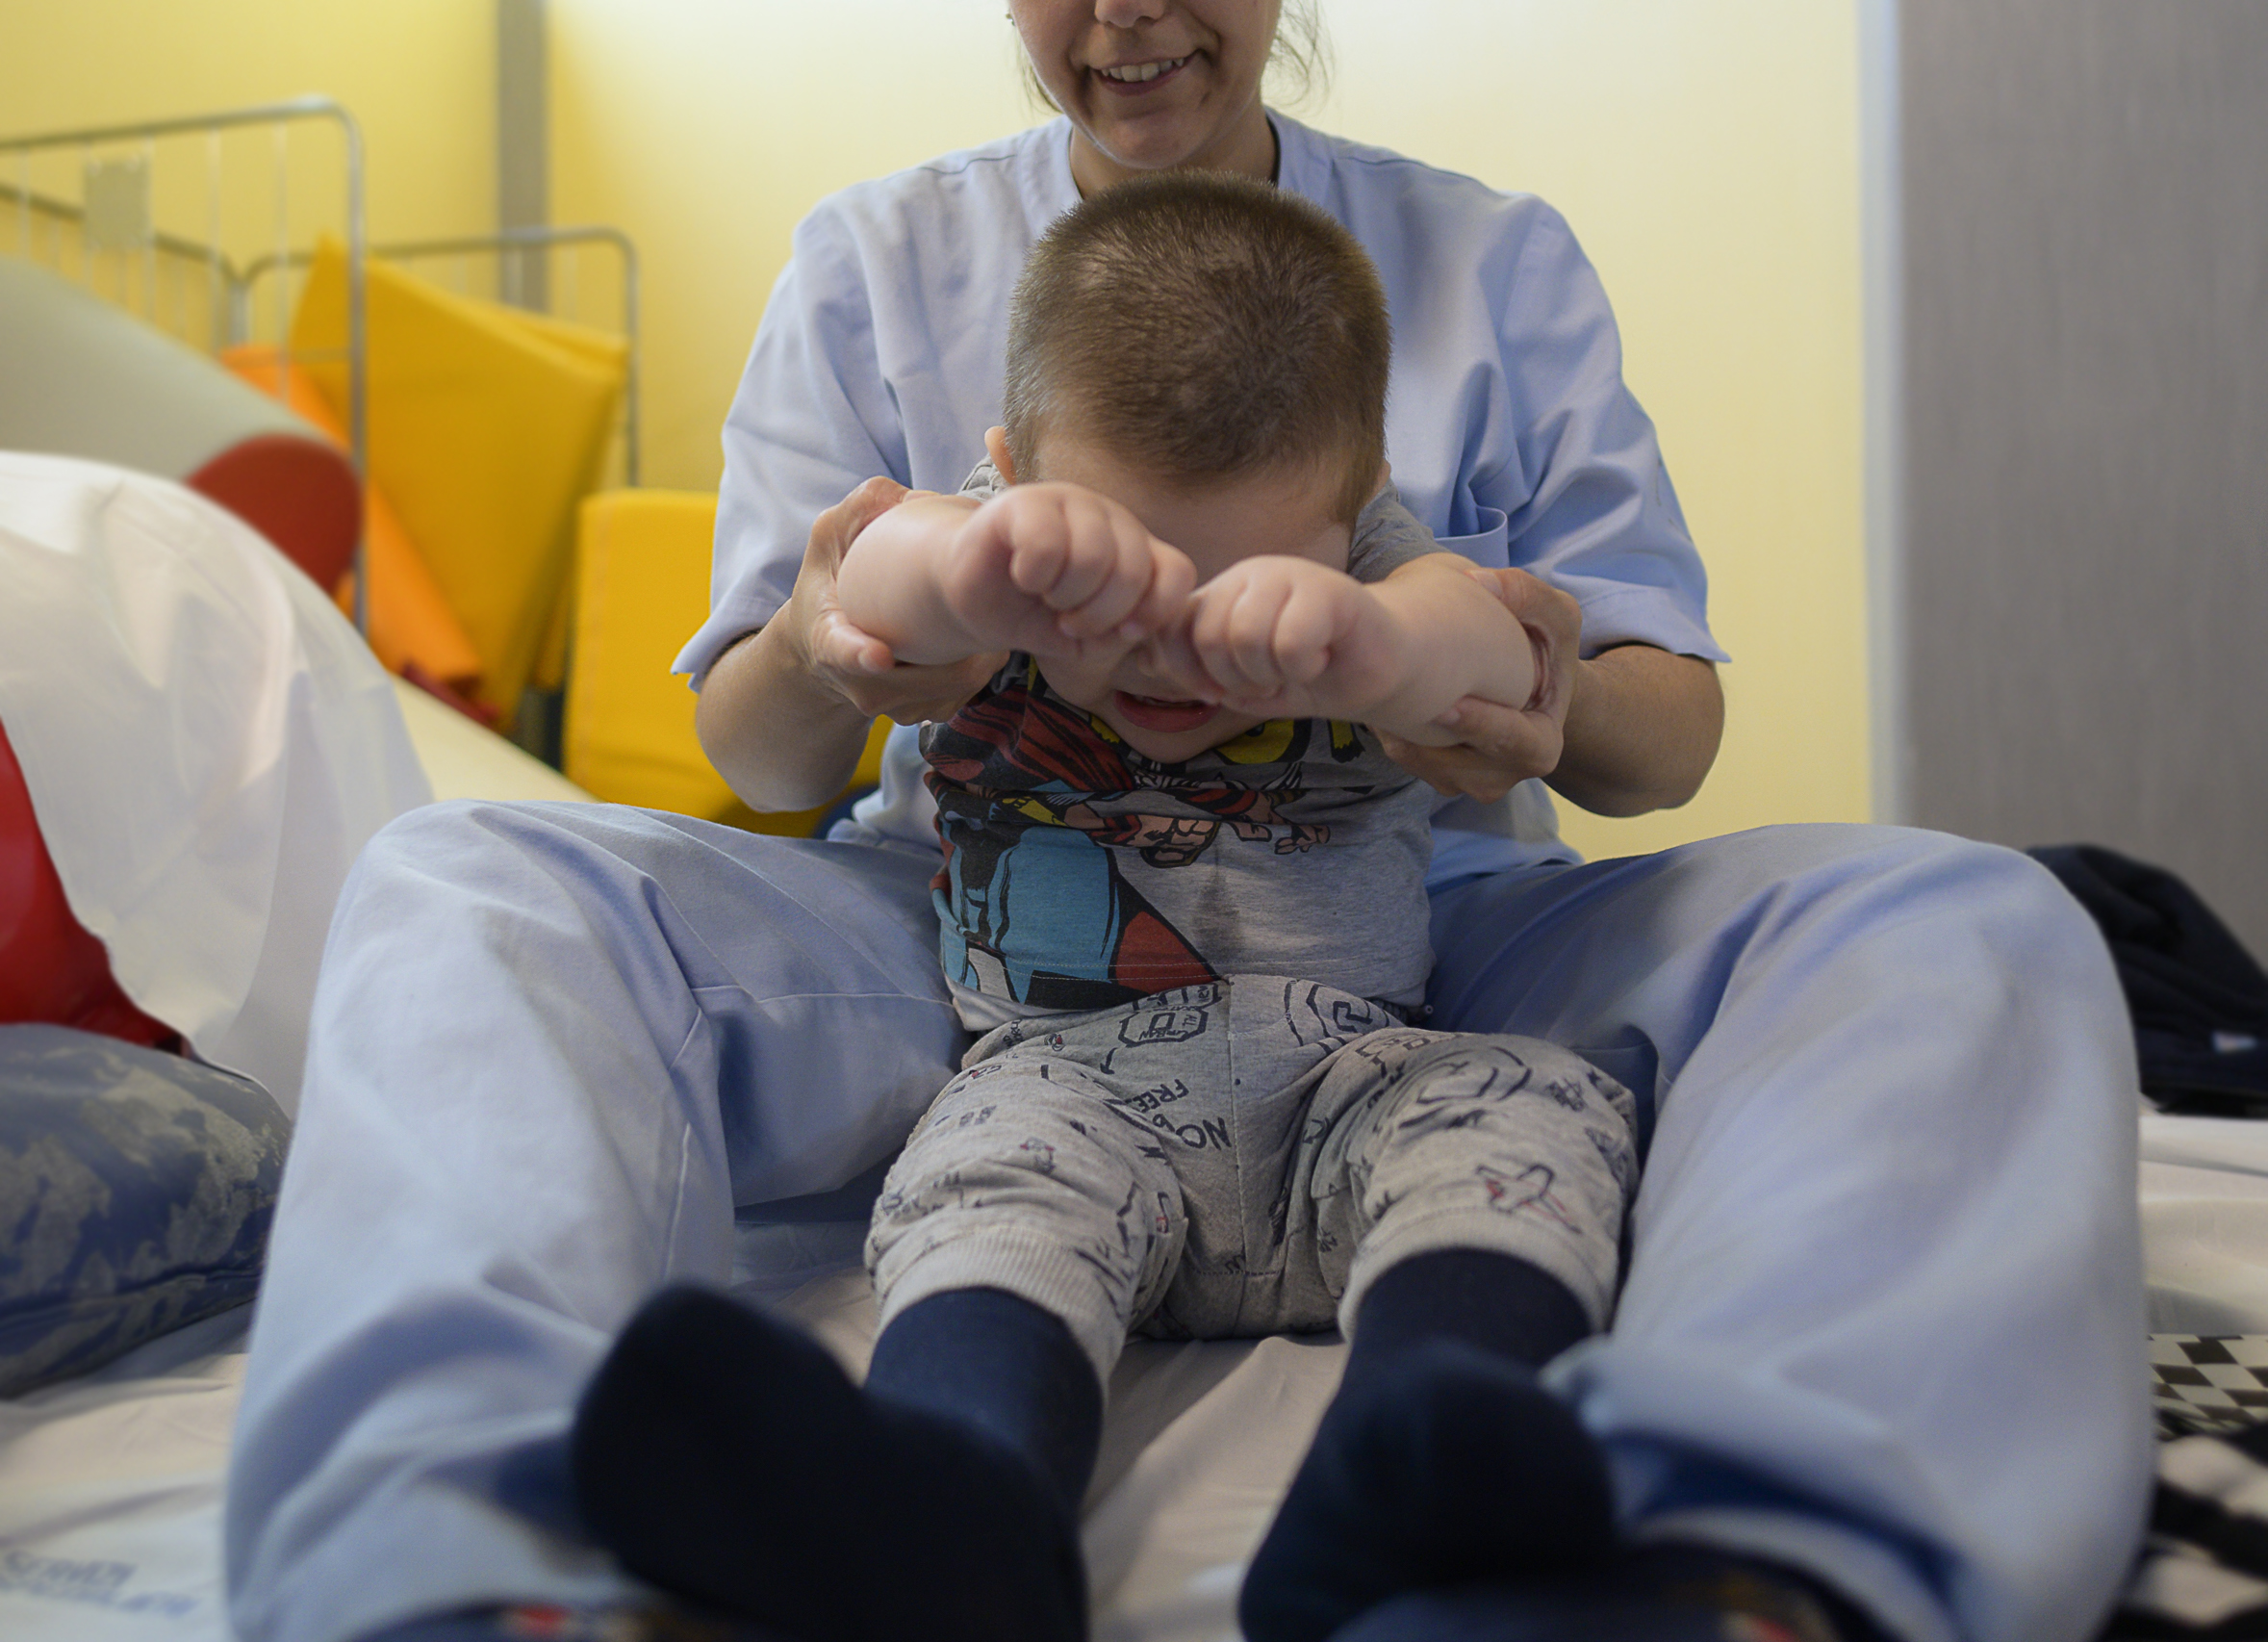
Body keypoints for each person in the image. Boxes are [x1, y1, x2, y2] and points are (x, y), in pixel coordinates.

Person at [224, 4, 2151, 1641]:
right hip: (973, 942)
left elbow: (1668, 740)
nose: (1128, 12)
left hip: (1424, 949)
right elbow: (772, 751)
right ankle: (468, 1571)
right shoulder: (882, 260)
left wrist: (1477, 681)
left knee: (1965, 917)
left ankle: (1736, 1565)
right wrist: (858, 633)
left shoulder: (1484, 264)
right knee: (462, 876)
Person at [567, 173, 1643, 1642]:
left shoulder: (1384, 574)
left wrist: (1375, 638)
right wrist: (979, 560)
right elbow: (877, 574)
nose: (1175, 641)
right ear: (1013, 470)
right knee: (974, 1197)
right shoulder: (977, 549)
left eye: (1246, 576)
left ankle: (1410, 1465)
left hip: (1352, 1074)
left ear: (1351, 518)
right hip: (1060, 1086)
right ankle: (965, 1514)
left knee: (1536, 1101)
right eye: (1122, 564)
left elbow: (1498, 648)